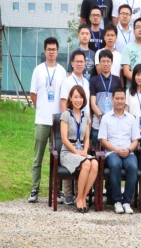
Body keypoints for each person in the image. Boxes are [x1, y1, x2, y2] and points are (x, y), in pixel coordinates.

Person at [28, 37, 67, 203]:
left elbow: (64, 96)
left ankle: (56, 190)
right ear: (45, 51)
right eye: (49, 49)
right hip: (42, 120)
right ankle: (34, 189)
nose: (51, 52)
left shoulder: (62, 71)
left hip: (57, 121)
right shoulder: (38, 70)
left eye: (54, 49)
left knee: (57, 157)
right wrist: (42, 109)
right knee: (38, 157)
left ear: (57, 51)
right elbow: (33, 94)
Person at [98, 87, 141, 214]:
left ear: (125, 100)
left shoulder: (131, 118)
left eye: (122, 99)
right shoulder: (106, 118)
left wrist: (128, 149)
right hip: (112, 152)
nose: (120, 101)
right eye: (117, 98)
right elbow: (103, 140)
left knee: (133, 166)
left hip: (128, 152)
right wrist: (116, 150)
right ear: (113, 99)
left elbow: (135, 140)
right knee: (115, 165)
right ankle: (117, 201)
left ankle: (126, 201)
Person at [59, 85, 99, 213]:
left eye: (81, 97)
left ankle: (82, 197)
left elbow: (87, 138)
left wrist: (85, 151)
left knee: (95, 164)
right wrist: (77, 152)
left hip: (81, 150)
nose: (78, 100)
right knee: (86, 164)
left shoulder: (85, 116)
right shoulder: (65, 115)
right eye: (75, 97)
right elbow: (64, 139)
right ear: (70, 98)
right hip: (68, 152)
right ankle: (79, 199)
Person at [89, 50, 121, 147]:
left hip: (114, 121)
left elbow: (119, 101)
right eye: (103, 61)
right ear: (99, 63)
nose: (105, 64)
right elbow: (93, 103)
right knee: (96, 150)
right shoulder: (94, 80)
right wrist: (101, 116)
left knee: (112, 149)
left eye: (108, 61)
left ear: (112, 62)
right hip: (98, 122)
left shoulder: (117, 80)